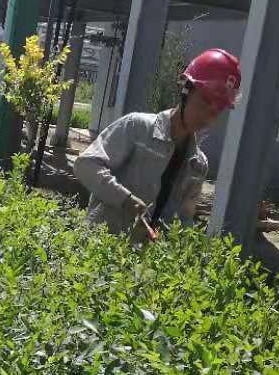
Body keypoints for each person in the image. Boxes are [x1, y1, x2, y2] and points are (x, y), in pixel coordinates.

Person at [75, 49, 241, 241]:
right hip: (99, 249)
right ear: (184, 90)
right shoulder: (137, 128)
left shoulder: (198, 165)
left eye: (217, 110)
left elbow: (184, 220)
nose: (208, 117)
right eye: (205, 102)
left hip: (146, 258)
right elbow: (85, 165)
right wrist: (126, 200)